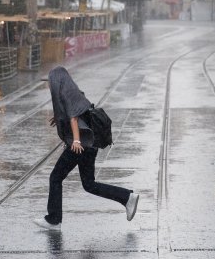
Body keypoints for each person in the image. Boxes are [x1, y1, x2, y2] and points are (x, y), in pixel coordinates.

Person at [34, 66, 139, 229]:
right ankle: (127, 197)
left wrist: (75, 140)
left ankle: (54, 219)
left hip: (81, 143)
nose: (49, 85)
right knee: (89, 184)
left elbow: (74, 117)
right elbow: (76, 112)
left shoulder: (65, 93)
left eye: (50, 82)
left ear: (57, 82)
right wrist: (59, 119)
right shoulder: (73, 90)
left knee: (55, 177)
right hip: (90, 142)